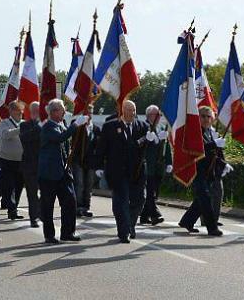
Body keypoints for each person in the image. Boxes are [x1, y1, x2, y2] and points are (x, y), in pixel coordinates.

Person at [96, 100, 149, 243]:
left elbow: (146, 146)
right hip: (118, 171)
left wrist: (154, 140)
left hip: (137, 171)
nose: (132, 113)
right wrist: (99, 166)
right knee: (121, 202)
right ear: (122, 111)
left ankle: (130, 224)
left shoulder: (143, 126)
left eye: (133, 110)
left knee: (140, 199)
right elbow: (102, 148)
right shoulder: (110, 126)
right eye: (128, 110)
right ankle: (123, 231)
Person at [38, 99, 88, 244]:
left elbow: (66, 144)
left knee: (70, 201)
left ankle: (67, 232)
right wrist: (75, 125)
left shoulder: (61, 125)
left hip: (63, 172)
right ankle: (49, 235)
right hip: (49, 173)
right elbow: (61, 138)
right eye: (61, 110)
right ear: (53, 112)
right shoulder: (47, 127)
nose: (64, 112)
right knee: (48, 205)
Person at [178, 106, 224, 236]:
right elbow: (198, 148)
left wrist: (223, 164)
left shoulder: (210, 132)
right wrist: (214, 144)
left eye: (208, 116)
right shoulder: (195, 132)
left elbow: (215, 153)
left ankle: (187, 221)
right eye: (203, 116)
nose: (206, 119)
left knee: (200, 199)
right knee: (206, 198)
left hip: (208, 172)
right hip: (196, 170)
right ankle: (212, 227)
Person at [140, 105, 173, 226]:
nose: (158, 117)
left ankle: (144, 216)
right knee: (150, 192)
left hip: (159, 166)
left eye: (159, 115)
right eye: (155, 115)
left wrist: (169, 162)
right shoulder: (143, 126)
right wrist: (149, 140)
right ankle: (155, 215)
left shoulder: (160, 128)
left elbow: (166, 147)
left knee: (155, 192)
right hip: (148, 166)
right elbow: (140, 144)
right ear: (149, 115)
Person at [70, 104, 101, 218]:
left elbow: (99, 147)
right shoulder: (77, 126)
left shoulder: (96, 129)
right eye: (87, 112)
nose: (89, 114)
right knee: (79, 184)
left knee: (88, 185)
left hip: (90, 162)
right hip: (78, 160)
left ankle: (86, 207)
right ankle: (78, 206)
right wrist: (78, 123)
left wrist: (99, 164)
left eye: (91, 112)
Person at [0, 101, 25, 221]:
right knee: (9, 186)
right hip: (7, 160)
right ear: (12, 111)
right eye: (19, 111)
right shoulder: (5, 123)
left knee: (19, 186)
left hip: (21, 160)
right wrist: (20, 129)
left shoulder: (23, 123)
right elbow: (5, 135)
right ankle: (11, 208)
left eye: (22, 111)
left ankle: (14, 209)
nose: (21, 113)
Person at [19, 101, 42, 227]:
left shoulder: (47, 125)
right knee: (32, 193)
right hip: (29, 165)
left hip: (44, 165)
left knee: (46, 192)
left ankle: (41, 212)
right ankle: (33, 218)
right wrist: (39, 126)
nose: (36, 113)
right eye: (34, 111)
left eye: (38, 111)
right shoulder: (25, 125)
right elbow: (24, 138)